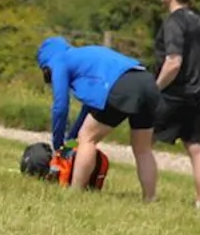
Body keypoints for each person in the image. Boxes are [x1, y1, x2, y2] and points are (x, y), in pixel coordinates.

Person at [36, 34, 161, 203]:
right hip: (147, 81)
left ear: (45, 64)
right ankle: (150, 199)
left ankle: (75, 194)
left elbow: (61, 106)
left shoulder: (58, 61)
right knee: (143, 149)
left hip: (122, 85)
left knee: (87, 138)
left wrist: (58, 145)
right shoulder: (82, 58)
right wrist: (69, 145)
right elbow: (89, 111)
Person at [152, 0, 200, 209]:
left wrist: (156, 87)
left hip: (174, 93)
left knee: (144, 141)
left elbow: (174, 61)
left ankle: (149, 195)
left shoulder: (173, 22)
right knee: (196, 147)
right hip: (199, 92)